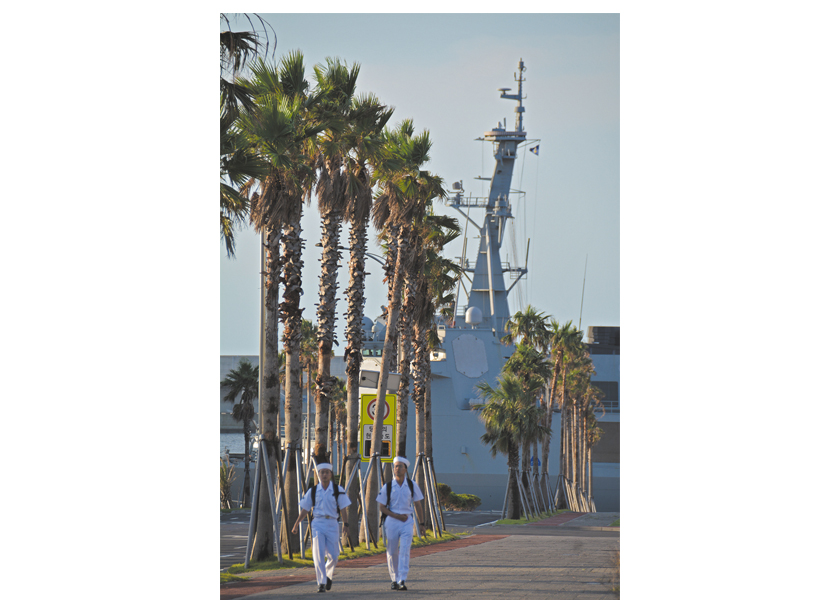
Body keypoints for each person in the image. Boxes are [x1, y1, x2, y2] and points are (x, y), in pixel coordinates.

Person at [292, 463, 352, 593]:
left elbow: (343, 508)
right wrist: (296, 523)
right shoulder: (313, 491)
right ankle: (321, 583)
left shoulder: (338, 490)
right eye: (321, 472)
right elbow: (305, 509)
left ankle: (328, 576)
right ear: (318, 475)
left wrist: (346, 524)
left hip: (332, 523)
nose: (324, 475)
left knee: (334, 555)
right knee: (318, 554)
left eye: (327, 472)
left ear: (331, 474)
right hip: (318, 523)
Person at [376, 455, 426, 591]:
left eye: (400, 466)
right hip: (392, 521)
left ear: (405, 469)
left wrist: (421, 524)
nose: (397, 469)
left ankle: (402, 579)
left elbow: (418, 504)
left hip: (407, 521)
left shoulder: (411, 485)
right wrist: (396, 516)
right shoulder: (388, 486)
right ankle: (394, 578)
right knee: (392, 551)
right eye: (395, 466)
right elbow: (382, 507)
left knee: (404, 550)